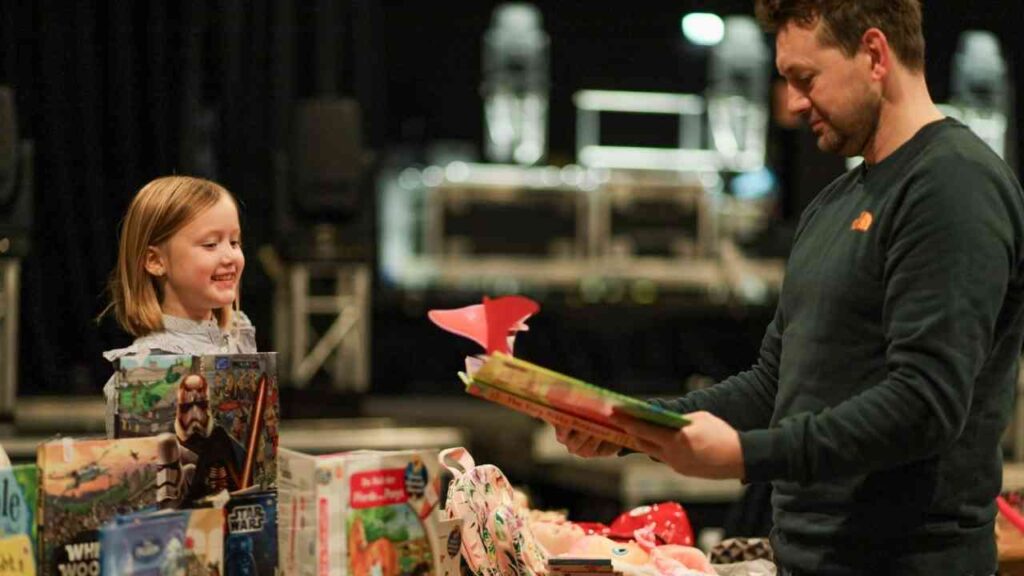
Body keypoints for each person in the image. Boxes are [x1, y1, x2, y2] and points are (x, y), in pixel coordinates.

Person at [554, 1, 1024, 573]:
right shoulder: (833, 205)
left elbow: (926, 404)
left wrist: (744, 457)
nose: (795, 103)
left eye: (807, 79)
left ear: (875, 54)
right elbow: (774, 386)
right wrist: (635, 424)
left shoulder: (954, 184)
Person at [101, 175, 257, 435]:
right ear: (155, 261)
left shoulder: (238, 333)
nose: (230, 256)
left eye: (234, 242)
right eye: (210, 244)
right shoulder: (146, 367)